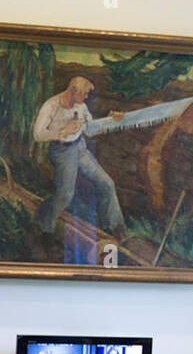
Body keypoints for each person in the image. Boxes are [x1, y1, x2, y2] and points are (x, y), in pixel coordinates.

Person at [32, 77, 125, 239]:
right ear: (73, 91)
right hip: (62, 151)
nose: (87, 97)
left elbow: (90, 130)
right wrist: (61, 132)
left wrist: (111, 120)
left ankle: (114, 226)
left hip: (80, 148)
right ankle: (43, 224)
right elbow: (38, 134)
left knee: (107, 184)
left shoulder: (81, 106)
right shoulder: (51, 106)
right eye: (85, 93)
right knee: (65, 194)